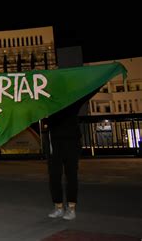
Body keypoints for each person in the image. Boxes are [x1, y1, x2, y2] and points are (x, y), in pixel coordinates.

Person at [46, 90, 98, 220]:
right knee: (54, 176)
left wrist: (107, 73)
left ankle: (71, 208)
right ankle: (58, 207)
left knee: (71, 176)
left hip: (72, 143)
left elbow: (88, 92)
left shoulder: (72, 101)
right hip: (55, 144)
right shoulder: (48, 103)